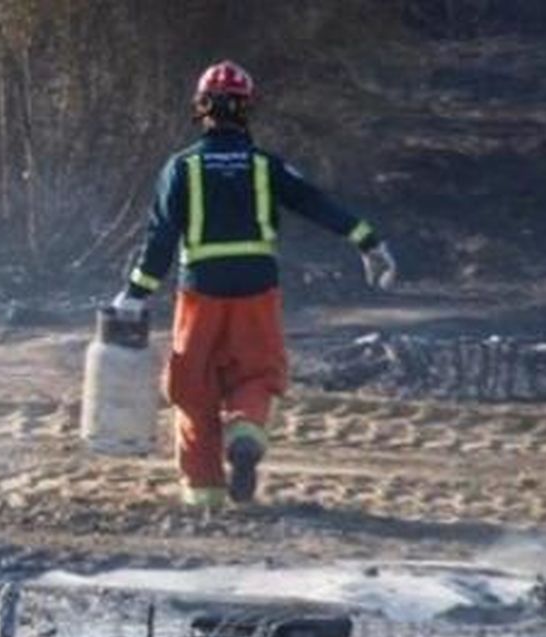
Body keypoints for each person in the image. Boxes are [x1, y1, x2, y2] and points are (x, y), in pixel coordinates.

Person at [113, 60, 397, 508]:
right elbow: (315, 203)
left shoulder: (181, 168)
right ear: (247, 109)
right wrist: (369, 242)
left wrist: (135, 294)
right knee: (257, 374)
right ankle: (245, 433)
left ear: (201, 107)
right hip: (256, 291)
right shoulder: (266, 166)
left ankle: (204, 494)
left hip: (200, 292)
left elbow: (161, 238)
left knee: (194, 388)